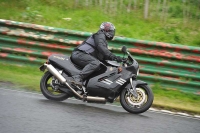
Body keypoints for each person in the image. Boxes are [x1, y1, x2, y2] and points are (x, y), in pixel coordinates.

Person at [71, 22, 123, 86]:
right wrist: (113, 56)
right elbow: (101, 47)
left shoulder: (104, 41)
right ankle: (78, 78)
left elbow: (104, 57)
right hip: (80, 54)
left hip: (83, 55)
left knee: (100, 67)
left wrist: (117, 61)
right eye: (111, 31)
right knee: (95, 63)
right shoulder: (100, 35)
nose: (112, 33)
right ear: (106, 30)